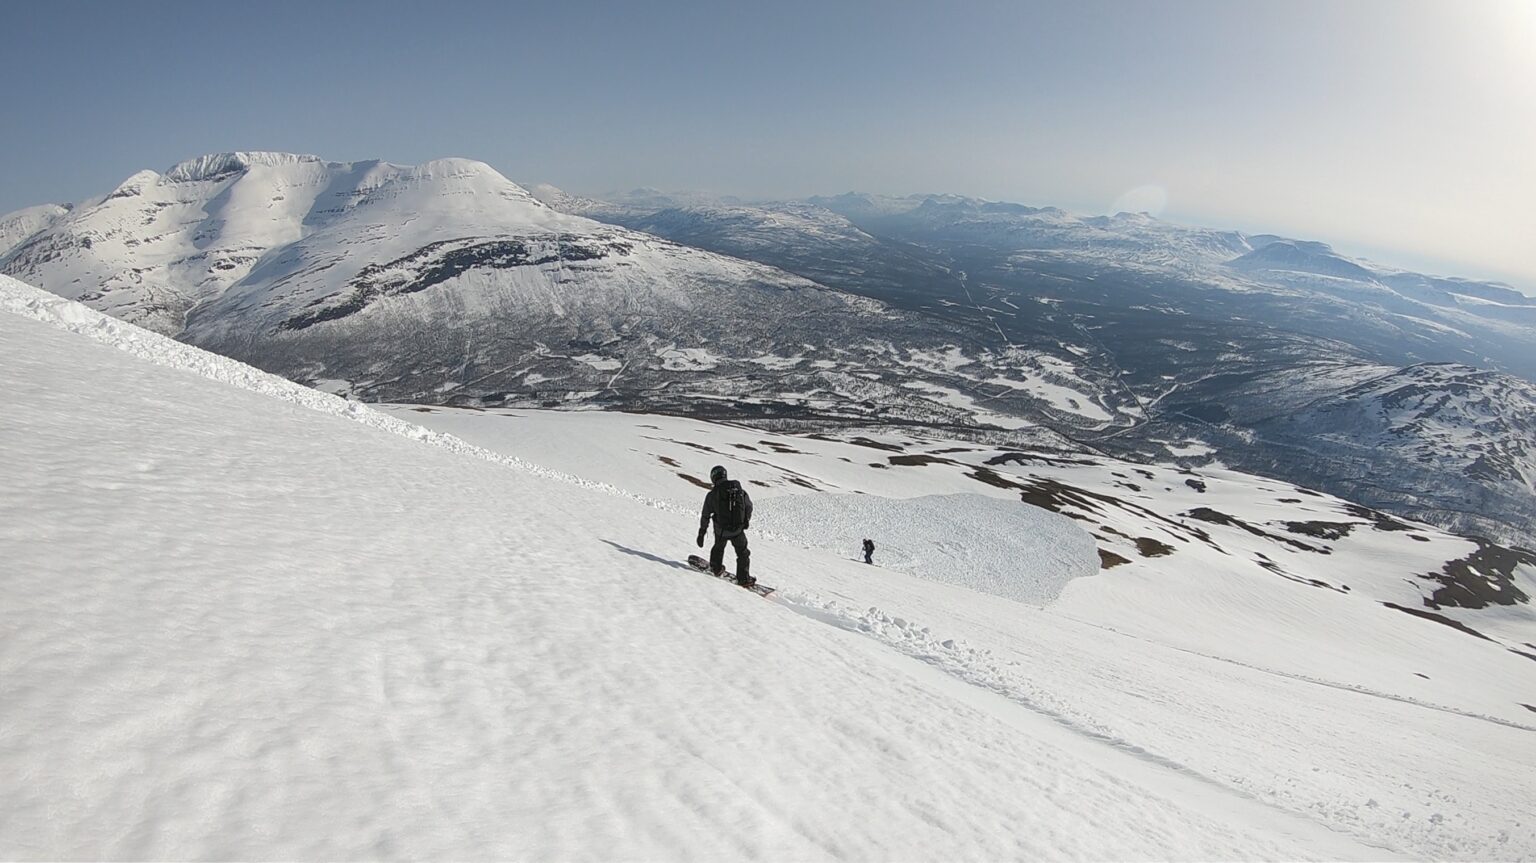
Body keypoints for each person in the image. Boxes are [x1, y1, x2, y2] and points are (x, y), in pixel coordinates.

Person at [697, 465, 754, 587]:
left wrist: (702, 532)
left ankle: (716, 568)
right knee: (743, 553)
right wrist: (746, 520)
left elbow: (705, 515)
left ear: (713, 478)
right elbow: (749, 506)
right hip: (738, 530)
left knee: (718, 548)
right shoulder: (739, 490)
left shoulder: (712, 495)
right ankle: (743, 579)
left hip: (721, 531)